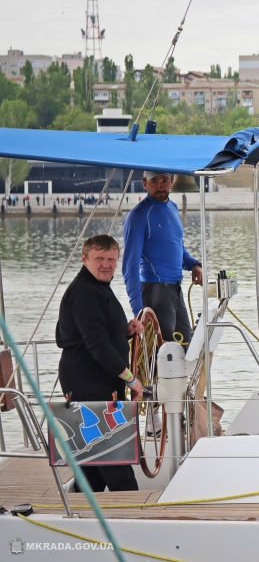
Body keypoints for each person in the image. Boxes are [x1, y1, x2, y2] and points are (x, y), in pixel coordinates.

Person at [56, 234, 143, 492]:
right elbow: (97, 345)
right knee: (116, 464)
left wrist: (125, 331)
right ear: (84, 259)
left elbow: (97, 332)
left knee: (91, 466)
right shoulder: (85, 292)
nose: (106, 264)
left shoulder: (96, 287)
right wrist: (132, 380)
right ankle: (134, 520)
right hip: (89, 383)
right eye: (99, 259)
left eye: (111, 259)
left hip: (94, 382)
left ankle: (82, 518)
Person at [122, 171, 203, 344]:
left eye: (165, 181)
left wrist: (194, 265)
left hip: (175, 290)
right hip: (156, 292)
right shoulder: (138, 216)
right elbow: (130, 267)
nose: (160, 186)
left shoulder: (173, 207)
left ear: (172, 181)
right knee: (163, 355)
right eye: (155, 181)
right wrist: (139, 311)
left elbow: (178, 248)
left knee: (186, 347)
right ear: (144, 183)